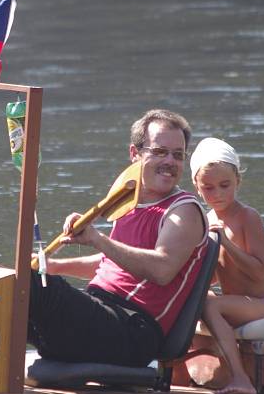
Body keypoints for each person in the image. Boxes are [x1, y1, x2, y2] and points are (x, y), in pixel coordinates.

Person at [27, 109, 209, 368]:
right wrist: (50, 266)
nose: (170, 161)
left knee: (34, 290)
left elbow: (162, 269)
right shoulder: (128, 202)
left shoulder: (183, 210)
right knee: (12, 286)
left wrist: (97, 238)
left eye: (177, 155)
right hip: (101, 314)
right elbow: (112, 262)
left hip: (133, 329)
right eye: (160, 152)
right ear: (135, 154)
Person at [189, 137, 264, 394]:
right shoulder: (206, 220)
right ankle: (178, 368)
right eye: (208, 188)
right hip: (234, 301)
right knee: (195, 298)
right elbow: (216, 274)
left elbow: (258, 271)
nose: (217, 194)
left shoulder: (247, 217)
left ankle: (241, 378)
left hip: (263, 304)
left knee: (209, 305)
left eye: (225, 185)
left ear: (238, 181)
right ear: (197, 187)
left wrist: (226, 243)